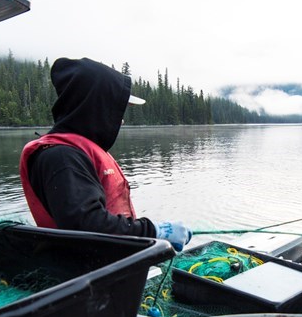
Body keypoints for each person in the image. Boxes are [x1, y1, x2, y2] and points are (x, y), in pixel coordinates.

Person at [19, 57, 191, 250]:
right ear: (97, 108)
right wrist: (154, 231)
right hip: (89, 273)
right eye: (117, 112)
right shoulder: (61, 158)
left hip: (111, 265)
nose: (122, 121)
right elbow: (87, 225)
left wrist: (150, 232)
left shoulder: (74, 153)